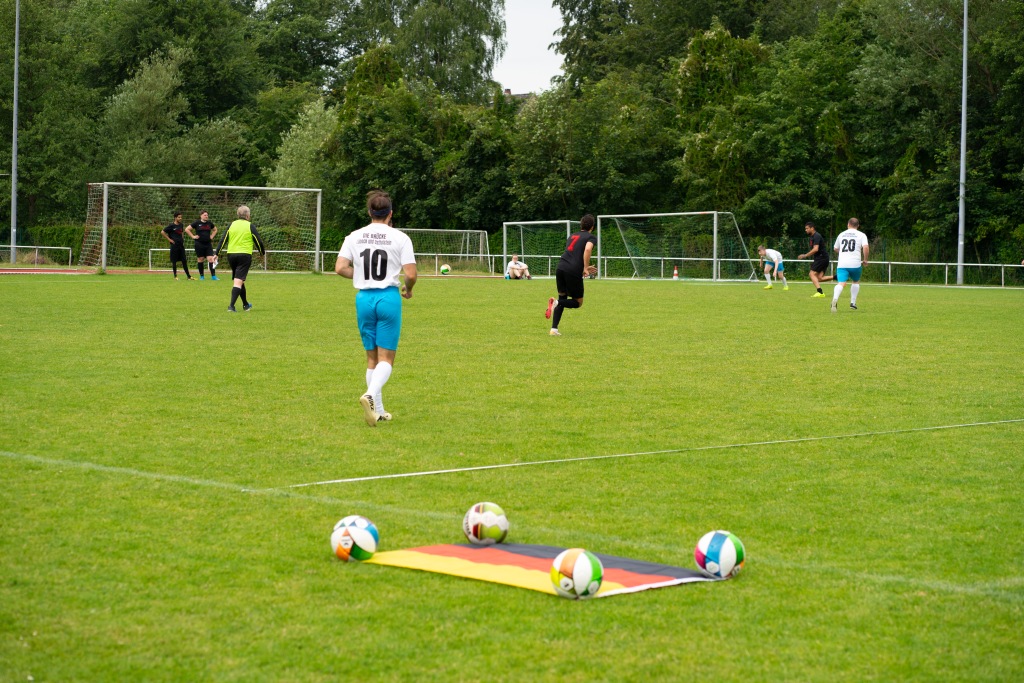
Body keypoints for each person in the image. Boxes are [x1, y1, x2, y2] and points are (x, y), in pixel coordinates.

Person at [336, 190, 418, 427]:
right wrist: (408, 288)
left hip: (364, 299)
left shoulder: (354, 236)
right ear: (390, 213)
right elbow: (411, 274)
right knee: (387, 358)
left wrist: (360, 274)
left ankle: (378, 411)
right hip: (387, 298)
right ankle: (370, 394)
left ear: (369, 212)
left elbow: (340, 267)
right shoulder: (400, 237)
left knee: (371, 358)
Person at [545, 214, 598, 336]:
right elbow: (588, 249)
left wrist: (583, 267)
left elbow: (573, 254)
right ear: (592, 227)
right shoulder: (591, 237)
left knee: (562, 297)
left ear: (581, 225)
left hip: (561, 267)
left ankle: (554, 329)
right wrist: (585, 267)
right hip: (572, 270)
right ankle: (556, 302)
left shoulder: (572, 236)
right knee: (578, 302)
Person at [214, 205, 266, 312]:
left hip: (231, 255)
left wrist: (217, 253)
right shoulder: (250, 225)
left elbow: (223, 239)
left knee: (239, 279)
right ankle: (231, 307)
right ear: (247, 216)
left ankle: (246, 305)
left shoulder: (231, 225)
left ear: (238, 215)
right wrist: (262, 252)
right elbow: (258, 241)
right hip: (244, 255)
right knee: (238, 281)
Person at [831, 217, 870, 312]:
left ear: (848, 224)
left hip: (842, 264)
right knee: (856, 281)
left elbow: (835, 248)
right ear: (858, 226)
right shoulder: (861, 235)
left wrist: (843, 253)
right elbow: (865, 247)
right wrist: (865, 259)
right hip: (855, 263)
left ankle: (835, 299)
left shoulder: (841, 234)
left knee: (841, 283)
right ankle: (853, 303)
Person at [797, 222, 833, 297]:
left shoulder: (816, 236)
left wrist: (805, 255)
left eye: (807, 228)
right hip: (822, 258)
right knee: (819, 278)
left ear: (812, 228)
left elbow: (815, 249)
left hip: (821, 258)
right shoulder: (812, 237)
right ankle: (837, 277)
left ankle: (820, 292)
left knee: (811, 274)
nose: (806, 230)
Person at [185, 210, 219, 280]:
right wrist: (193, 236)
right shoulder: (197, 223)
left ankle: (213, 276)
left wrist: (212, 236)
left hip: (208, 244)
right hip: (199, 244)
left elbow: (215, 230)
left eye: (207, 215)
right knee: (200, 259)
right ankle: (202, 276)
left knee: (211, 259)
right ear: (201, 216)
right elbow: (187, 229)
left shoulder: (209, 223)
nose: (206, 216)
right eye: (205, 215)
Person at [162, 212, 194, 280]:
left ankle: (189, 276)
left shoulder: (181, 225)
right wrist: (169, 239)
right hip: (174, 246)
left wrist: (182, 239)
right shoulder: (171, 226)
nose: (180, 218)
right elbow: (162, 232)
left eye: (181, 217)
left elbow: (182, 233)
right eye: (179, 217)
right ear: (175, 218)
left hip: (181, 246)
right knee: (174, 261)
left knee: (184, 260)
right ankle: (175, 276)